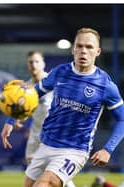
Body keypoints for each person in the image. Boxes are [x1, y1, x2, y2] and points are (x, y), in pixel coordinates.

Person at [1, 27, 124, 187]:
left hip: (74, 150)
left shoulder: (106, 85)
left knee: (44, 184)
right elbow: (32, 95)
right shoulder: (60, 72)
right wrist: (11, 120)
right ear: (74, 49)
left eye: (89, 47)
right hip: (46, 144)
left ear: (98, 51)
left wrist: (108, 149)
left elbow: (123, 119)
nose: (83, 51)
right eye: (80, 46)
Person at [7, 51, 76, 187]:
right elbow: (28, 109)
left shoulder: (53, 82)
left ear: (43, 64)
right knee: (34, 168)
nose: (33, 64)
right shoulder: (26, 87)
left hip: (54, 134)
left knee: (53, 170)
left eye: (36, 61)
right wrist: (19, 120)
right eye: (30, 62)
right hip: (36, 133)